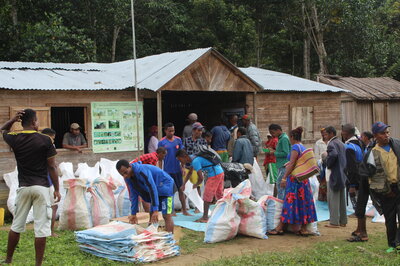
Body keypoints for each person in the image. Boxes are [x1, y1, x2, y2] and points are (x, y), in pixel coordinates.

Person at [1, 109, 61, 266]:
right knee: (41, 228)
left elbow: (3, 130)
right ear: (34, 122)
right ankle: (38, 264)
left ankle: (8, 259)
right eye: (37, 121)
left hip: (24, 187)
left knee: (16, 226)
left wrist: (13, 119)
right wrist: (57, 189)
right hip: (41, 188)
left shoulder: (15, 138)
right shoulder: (45, 140)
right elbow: (52, 167)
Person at [268, 127, 317, 236]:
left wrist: (284, 177)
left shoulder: (295, 147)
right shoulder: (302, 147)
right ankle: (303, 228)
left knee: (289, 202)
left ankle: (280, 227)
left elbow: (292, 163)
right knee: (303, 202)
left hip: (294, 180)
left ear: (292, 137)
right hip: (303, 180)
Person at [116, 160, 175, 233]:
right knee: (152, 214)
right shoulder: (128, 178)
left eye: (125, 172)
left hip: (167, 188)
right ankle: (150, 238)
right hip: (156, 191)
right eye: (122, 174)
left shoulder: (142, 171)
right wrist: (133, 213)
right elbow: (134, 194)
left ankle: (169, 240)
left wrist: (156, 209)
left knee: (166, 215)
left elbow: (152, 188)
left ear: (130, 166)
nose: (125, 176)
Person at [368, 122, 400, 252]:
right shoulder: (373, 153)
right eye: (383, 133)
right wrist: (384, 191)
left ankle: (398, 242)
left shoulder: (396, 146)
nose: (386, 135)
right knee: (390, 219)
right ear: (376, 135)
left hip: (398, 186)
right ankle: (392, 245)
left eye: (387, 132)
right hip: (386, 191)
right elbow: (371, 176)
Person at [176, 149, 224, 223]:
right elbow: (190, 173)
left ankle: (205, 218)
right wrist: (184, 184)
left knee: (207, 196)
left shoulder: (195, 161)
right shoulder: (192, 157)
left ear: (184, 156)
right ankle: (223, 214)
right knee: (219, 195)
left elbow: (201, 178)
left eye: (180, 159)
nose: (180, 162)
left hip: (214, 174)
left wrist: (195, 185)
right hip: (220, 171)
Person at [158, 123, 190, 216]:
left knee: (181, 190)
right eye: (170, 131)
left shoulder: (178, 140)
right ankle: (171, 210)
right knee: (169, 192)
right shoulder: (162, 142)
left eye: (173, 130)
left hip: (177, 170)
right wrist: (161, 172)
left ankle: (184, 210)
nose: (172, 132)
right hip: (167, 171)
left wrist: (183, 167)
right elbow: (160, 159)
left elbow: (182, 155)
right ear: (165, 131)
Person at [325, 126, 347, 228]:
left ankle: (334, 222)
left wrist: (327, 163)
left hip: (334, 173)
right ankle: (343, 220)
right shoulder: (341, 143)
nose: (325, 136)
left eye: (326, 134)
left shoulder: (332, 143)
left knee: (333, 198)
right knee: (342, 199)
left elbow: (333, 155)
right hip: (342, 173)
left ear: (330, 134)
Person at [41, 128, 59, 237]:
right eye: (52, 139)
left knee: (47, 207)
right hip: (47, 181)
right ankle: (50, 232)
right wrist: (57, 188)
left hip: (37, 181)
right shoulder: (48, 147)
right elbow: (52, 166)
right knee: (53, 206)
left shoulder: (34, 146)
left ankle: (45, 231)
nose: (53, 141)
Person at [342, 124, 364, 212]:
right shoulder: (359, 144)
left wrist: (352, 184)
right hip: (361, 173)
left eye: (343, 131)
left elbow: (351, 167)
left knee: (355, 197)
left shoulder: (349, 147)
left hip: (354, 176)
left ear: (346, 133)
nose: (342, 133)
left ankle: (356, 210)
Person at [269, 124, 291, 200]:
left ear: (278, 130)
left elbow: (286, 153)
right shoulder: (280, 138)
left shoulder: (284, 139)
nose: (272, 135)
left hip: (284, 165)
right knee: (280, 185)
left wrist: (274, 153)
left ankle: (282, 204)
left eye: (273, 132)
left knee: (280, 185)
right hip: (281, 165)